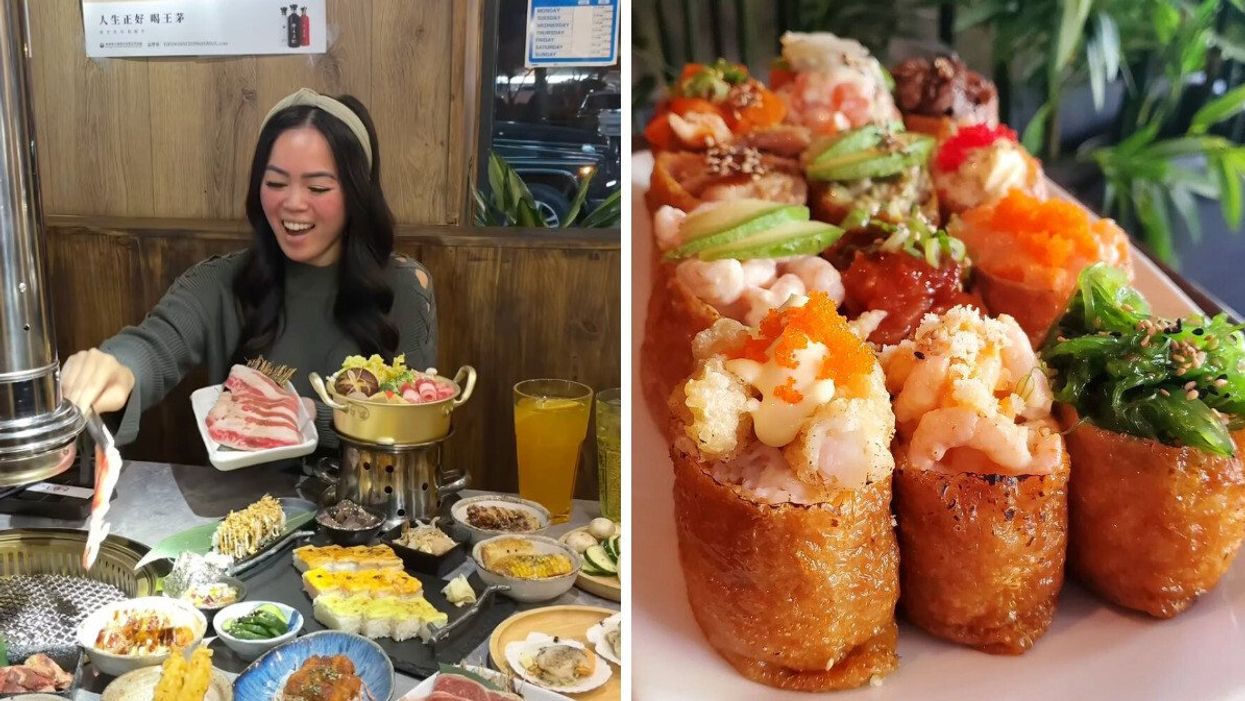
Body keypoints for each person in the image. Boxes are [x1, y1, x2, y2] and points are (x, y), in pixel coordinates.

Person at [60, 88, 437, 448]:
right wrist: (117, 367)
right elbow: (154, 345)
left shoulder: (403, 286)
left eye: (318, 188)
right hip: (247, 508)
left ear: (357, 194)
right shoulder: (219, 282)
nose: (292, 203)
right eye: (274, 182)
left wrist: (308, 417)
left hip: (366, 503)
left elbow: (412, 419)